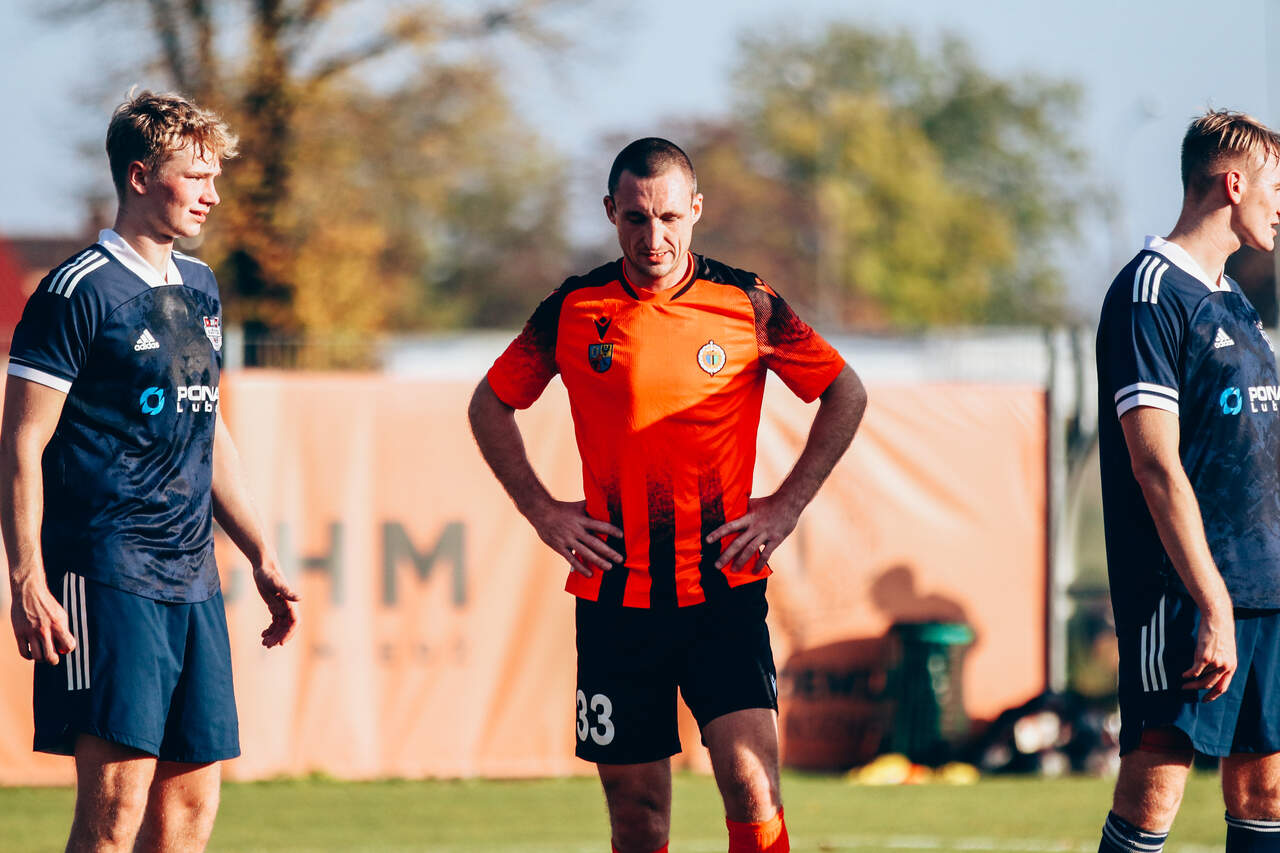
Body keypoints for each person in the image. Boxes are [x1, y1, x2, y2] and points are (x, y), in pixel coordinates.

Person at [469, 137, 867, 853]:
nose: (653, 237)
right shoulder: (574, 307)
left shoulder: (747, 302)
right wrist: (540, 508)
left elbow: (845, 390)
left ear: (697, 211)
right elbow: (489, 403)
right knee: (638, 813)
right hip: (615, 598)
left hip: (723, 588)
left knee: (752, 787)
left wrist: (786, 504)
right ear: (610, 212)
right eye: (635, 218)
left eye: (670, 217)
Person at [1, 91, 299, 853]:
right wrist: (27, 578)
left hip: (192, 577)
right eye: (196, 175)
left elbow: (210, 429)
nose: (213, 193)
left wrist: (260, 552)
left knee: (189, 813)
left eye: (215, 176)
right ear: (139, 177)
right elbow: (22, 443)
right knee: (114, 815)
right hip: (106, 573)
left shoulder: (201, 286)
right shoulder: (76, 291)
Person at [1094, 109, 1280, 853]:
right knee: (1156, 789)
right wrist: (1213, 601)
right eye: (1277, 187)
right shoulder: (1149, 293)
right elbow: (1156, 465)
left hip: (1263, 590)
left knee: (1266, 793)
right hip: (1182, 595)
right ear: (1233, 184)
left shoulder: (1236, 299)